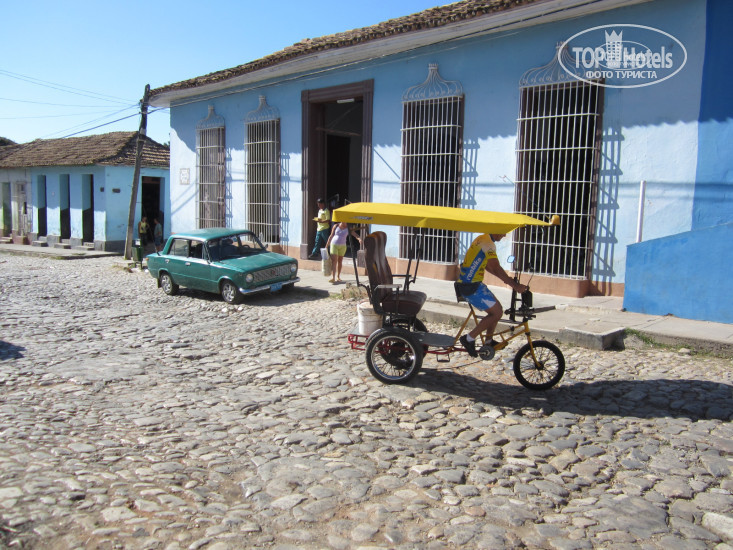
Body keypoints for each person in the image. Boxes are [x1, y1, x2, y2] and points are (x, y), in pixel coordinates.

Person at [456, 233, 527, 357]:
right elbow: (496, 268)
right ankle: (468, 338)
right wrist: (515, 285)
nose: (504, 235)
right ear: (496, 230)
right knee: (497, 313)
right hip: (471, 286)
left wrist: (508, 281)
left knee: (497, 310)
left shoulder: (483, 238)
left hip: (473, 284)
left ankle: (488, 342)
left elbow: (490, 267)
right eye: (503, 232)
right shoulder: (488, 243)